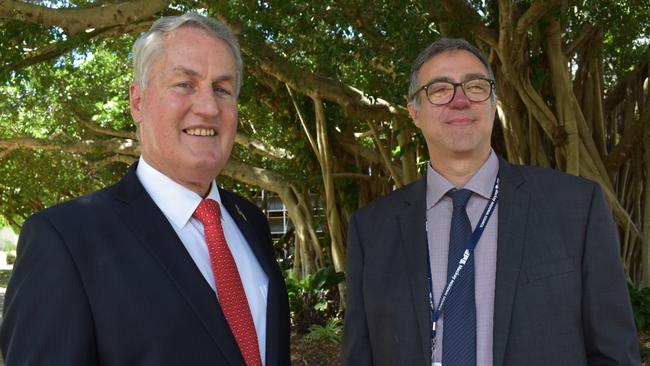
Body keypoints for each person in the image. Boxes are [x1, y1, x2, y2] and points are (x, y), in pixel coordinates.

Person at [0, 13, 290, 366]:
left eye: (222, 89)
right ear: (137, 102)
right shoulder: (66, 241)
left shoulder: (251, 222)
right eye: (185, 83)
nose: (208, 107)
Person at [342, 37, 639, 366]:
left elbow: (615, 353)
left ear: (493, 101)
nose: (460, 100)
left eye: (475, 86)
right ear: (415, 112)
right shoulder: (370, 231)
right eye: (440, 89)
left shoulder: (576, 207)